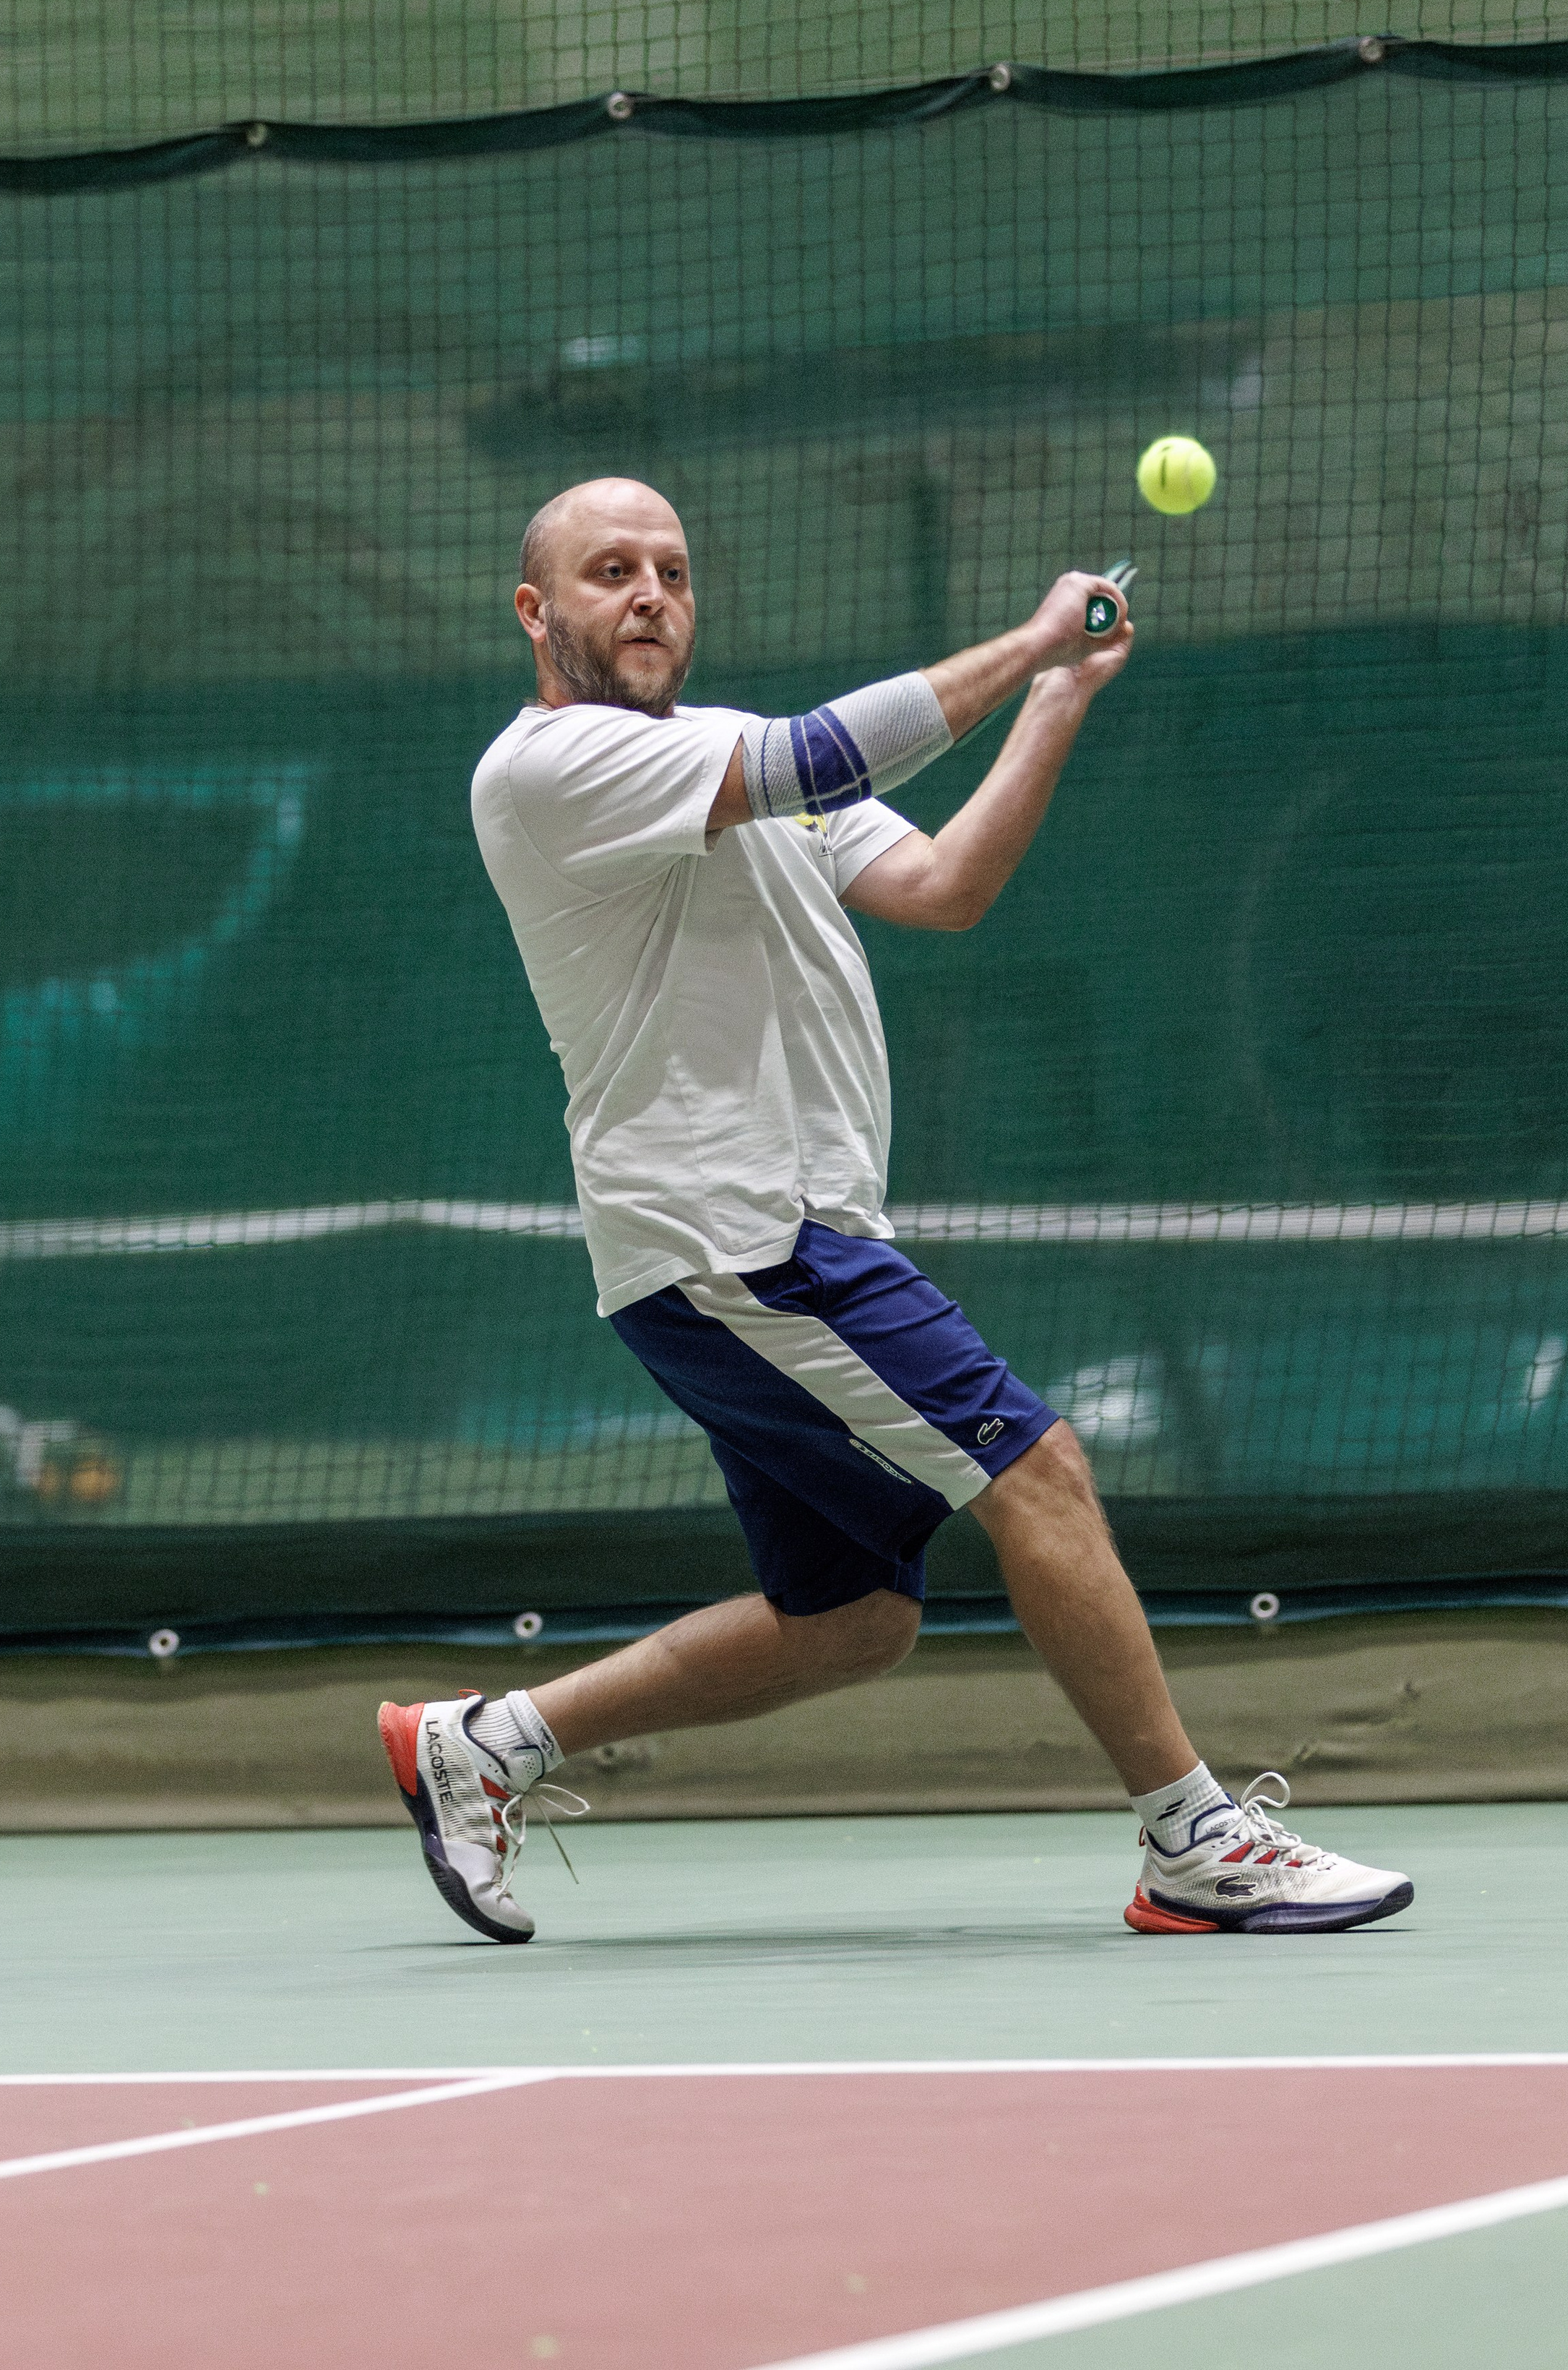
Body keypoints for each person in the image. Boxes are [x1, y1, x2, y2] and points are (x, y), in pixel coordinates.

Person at [378, 476, 1412, 1944]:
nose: (652, 594)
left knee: (852, 1614)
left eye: (672, 567)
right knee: (1039, 1470)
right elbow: (815, 752)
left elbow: (942, 882)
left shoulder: (741, 758)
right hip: (735, 1237)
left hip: (779, 1235)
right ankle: (1193, 1838)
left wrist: (1056, 693)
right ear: (536, 612)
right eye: (611, 571)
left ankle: (487, 1744)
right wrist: (1028, 633)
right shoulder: (544, 769)